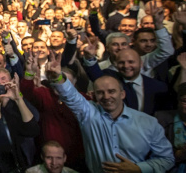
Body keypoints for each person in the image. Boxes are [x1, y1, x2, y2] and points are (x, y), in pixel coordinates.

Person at [46, 53, 174, 172]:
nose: (106, 97)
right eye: (100, 92)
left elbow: (167, 159)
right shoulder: (88, 114)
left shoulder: (148, 122)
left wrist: (138, 169)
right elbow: (71, 95)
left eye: (111, 91)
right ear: (94, 95)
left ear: (122, 94)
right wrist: (58, 77)